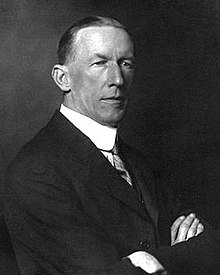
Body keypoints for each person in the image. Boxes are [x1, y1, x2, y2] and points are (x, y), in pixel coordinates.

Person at [4, 16, 219, 275]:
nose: (117, 79)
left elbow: (212, 245)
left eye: (125, 63)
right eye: (99, 63)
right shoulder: (35, 171)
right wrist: (177, 256)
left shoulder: (136, 160)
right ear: (63, 79)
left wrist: (149, 260)